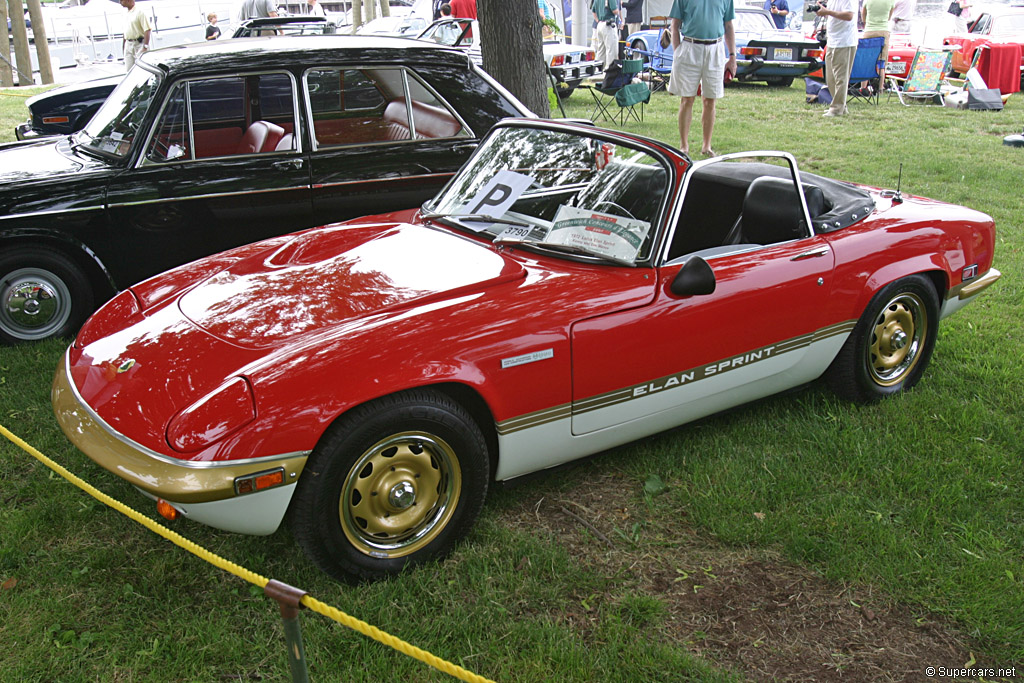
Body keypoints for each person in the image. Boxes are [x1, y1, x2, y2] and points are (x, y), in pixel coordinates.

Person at [666, 0, 737, 157]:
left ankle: (707, 146)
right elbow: (675, 24)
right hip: (690, 47)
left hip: (715, 49)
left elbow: (728, 26)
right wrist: (677, 52)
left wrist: (732, 56)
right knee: (687, 99)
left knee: (710, 99)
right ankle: (684, 146)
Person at [817, 0, 856, 117]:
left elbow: (849, 15)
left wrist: (828, 11)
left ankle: (836, 108)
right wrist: (822, 10)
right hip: (832, 41)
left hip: (844, 41)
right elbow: (833, 13)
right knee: (830, 78)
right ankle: (841, 107)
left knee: (840, 78)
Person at [120, 0, 151, 72]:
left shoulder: (140, 12)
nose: (120, 2)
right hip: (128, 45)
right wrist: (124, 46)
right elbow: (125, 32)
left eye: (121, 0)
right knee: (129, 71)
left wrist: (145, 46)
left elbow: (147, 29)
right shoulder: (125, 14)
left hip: (139, 44)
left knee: (143, 70)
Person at [861, 0, 894, 66]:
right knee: (882, 62)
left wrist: (865, 23)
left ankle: (868, 75)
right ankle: (881, 76)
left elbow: (863, 14)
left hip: (869, 31)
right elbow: (889, 17)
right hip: (883, 31)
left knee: (867, 61)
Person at [591, 0, 621, 69]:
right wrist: (618, 10)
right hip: (608, 25)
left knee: (601, 51)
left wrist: (598, 20)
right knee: (611, 50)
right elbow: (614, 10)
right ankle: (610, 72)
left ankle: (599, 71)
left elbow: (593, 11)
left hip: (600, 25)